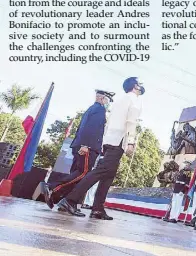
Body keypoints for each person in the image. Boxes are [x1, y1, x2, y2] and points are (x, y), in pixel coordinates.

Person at [57, 77, 144, 220]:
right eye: (139, 84)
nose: (141, 86)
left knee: (108, 175)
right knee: (100, 171)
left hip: (109, 140)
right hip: (119, 141)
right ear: (135, 86)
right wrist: (130, 141)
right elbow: (131, 121)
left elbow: (109, 123)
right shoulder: (134, 100)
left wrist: (104, 143)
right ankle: (70, 200)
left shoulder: (120, 101)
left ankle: (98, 208)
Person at [40, 89, 114, 209]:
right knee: (83, 174)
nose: (108, 103)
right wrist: (86, 145)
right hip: (87, 147)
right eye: (108, 100)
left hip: (80, 145)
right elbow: (91, 129)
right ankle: (52, 187)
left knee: (76, 174)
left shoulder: (91, 109)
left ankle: (60, 200)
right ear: (102, 98)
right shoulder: (100, 110)